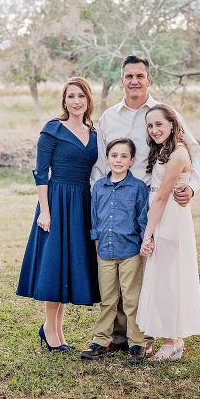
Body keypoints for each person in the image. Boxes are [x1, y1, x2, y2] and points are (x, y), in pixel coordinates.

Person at [91, 55, 200, 355]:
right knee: (117, 265)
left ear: (148, 79)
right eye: (129, 76)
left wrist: (191, 187)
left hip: (151, 199)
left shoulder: (163, 114)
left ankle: (145, 336)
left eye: (140, 76)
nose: (134, 81)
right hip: (116, 199)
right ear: (121, 80)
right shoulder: (108, 117)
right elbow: (100, 164)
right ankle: (118, 336)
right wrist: (100, 197)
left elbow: (193, 152)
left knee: (146, 267)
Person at [17, 76, 100, 352]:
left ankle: (56, 330)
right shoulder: (52, 129)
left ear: (88, 100)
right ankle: (50, 330)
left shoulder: (94, 133)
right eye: (71, 96)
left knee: (67, 266)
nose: (76, 101)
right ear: (64, 101)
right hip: (57, 200)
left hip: (81, 202)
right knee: (54, 266)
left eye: (81, 96)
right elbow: (41, 172)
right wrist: (45, 210)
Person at [137, 104, 200, 361]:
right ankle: (170, 336)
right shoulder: (162, 151)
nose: (154, 130)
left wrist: (148, 236)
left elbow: (161, 198)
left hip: (169, 219)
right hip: (160, 217)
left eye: (159, 124)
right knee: (162, 281)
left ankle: (172, 341)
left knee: (168, 282)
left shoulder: (178, 153)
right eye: (150, 125)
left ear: (172, 124)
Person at [80, 138, 151, 363]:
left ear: (131, 161)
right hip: (105, 253)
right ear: (107, 159)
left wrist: (143, 244)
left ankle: (137, 344)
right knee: (108, 300)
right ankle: (100, 341)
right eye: (114, 156)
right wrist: (96, 243)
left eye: (123, 156)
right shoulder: (99, 187)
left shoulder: (138, 187)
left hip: (130, 251)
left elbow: (142, 218)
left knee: (131, 300)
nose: (118, 160)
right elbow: (95, 218)